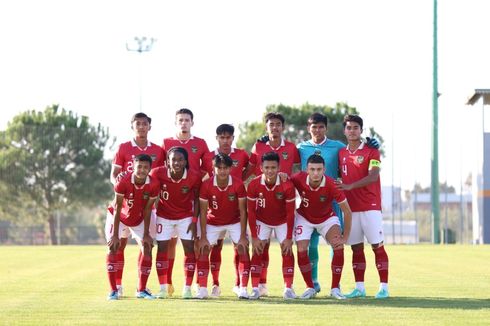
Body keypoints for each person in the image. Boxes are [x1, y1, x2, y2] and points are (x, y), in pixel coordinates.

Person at [297, 112, 379, 293]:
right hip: (309, 203)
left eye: (321, 127)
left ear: (326, 128)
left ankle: (336, 285)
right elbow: (281, 159)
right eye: (314, 127)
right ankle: (314, 281)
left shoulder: (338, 147)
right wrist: (264, 143)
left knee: (337, 242)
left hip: (333, 202)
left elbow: (355, 149)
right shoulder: (300, 147)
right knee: (310, 244)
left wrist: (370, 143)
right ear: (308, 129)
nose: (317, 130)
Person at [109, 112, 165, 297]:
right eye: (137, 123)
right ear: (132, 126)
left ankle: (141, 289)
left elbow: (163, 173)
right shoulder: (124, 148)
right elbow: (114, 175)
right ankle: (116, 288)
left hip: (145, 204)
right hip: (124, 204)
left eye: (144, 124)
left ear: (150, 126)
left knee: (147, 244)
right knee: (118, 245)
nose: (141, 127)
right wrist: (125, 190)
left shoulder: (158, 150)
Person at [246, 112, 300, 296]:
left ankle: (288, 288)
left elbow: (303, 168)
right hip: (263, 214)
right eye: (271, 124)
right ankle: (257, 286)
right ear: (266, 127)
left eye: (278, 124)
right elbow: (250, 167)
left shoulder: (292, 148)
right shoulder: (258, 146)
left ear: (283, 127)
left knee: (287, 249)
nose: (275, 127)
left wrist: (290, 179)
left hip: (283, 213)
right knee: (260, 248)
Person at [337, 114, 389, 299]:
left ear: (361, 130)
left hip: (370, 206)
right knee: (356, 248)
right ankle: (360, 287)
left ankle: (384, 287)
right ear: (344, 130)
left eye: (355, 128)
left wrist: (349, 186)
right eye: (349, 127)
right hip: (350, 209)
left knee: (377, 246)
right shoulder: (341, 153)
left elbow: (373, 176)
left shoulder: (372, 151)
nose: (352, 131)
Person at [161, 108, 209, 295]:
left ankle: (194, 283)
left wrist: (195, 182)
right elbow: (160, 170)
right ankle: (168, 282)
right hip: (169, 202)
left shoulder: (200, 143)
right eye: (180, 120)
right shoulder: (166, 143)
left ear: (192, 123)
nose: (183, 123)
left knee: (193, 244)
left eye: (187, 120)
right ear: (176, 122)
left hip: (190, 201)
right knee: (169, 243)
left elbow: (206, 170)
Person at [291, 154, 352, 300]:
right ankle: (310, 287)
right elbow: (284, 181)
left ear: (324, 169)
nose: (316, 173)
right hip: (304, 218)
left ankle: (335, 288)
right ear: (307, 169)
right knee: (301, 249)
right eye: (312, 169)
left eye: (319, 169)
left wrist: (345, 237)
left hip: (327, 218)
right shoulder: (298, 177)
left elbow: (347, 212)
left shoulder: (331, 184)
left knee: (338, 246)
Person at [201, 123, 251, 296]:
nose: (225, 140)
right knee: (216, 247)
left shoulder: (242, 154)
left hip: (234, 209)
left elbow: (253, 165)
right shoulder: (208, 157)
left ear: (233, 138)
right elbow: (203, 177)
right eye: (221, 137)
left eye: (228, 137)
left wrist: (240, 181)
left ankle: (239, 284)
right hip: (215, 210)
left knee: (240, 247)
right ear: (217, 139)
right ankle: (214, 284)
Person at [105, 154, 160, 300]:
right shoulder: (122, 180)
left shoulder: (154, 184)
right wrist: (115, 235)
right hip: (119, 216)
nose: (142, 170)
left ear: (150, 168)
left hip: (139, 218)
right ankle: (113, 291)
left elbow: (148, 209)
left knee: (148, 247)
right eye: (139, 166)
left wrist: (147, 233)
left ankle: (141, 290)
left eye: (146, 167)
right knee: (113, 246)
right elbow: (117, 208)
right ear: (133, 166)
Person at [150, 147, 202, 299]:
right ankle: (163, 288)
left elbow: (198, 199)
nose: (176, 163)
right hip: (163, 217)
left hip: (185, 217)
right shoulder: (157, 173)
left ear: (185, 162)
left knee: (189, 249)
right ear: (167, 161)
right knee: (162, 249)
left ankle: (187, 289)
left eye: (180, 160)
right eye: (173, 159)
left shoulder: (194, 176)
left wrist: (194, 220)